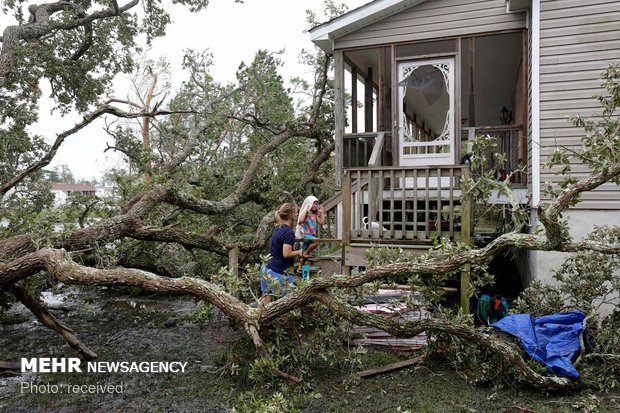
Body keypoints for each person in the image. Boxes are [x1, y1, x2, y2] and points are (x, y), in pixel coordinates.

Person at [260, 202, 304, 304]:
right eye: (296, 213)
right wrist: (300, 252)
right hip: (278, 273)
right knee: (289, 304)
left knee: (266, 301)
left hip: (266, 269)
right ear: (290, 215)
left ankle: (257, 318)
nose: (297, 215)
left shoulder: (278, 227)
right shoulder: (289, 233)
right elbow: (286, 253)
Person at [296, 195, 325, 274]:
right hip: (305, 235)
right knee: (316, 241)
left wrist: (321, 213)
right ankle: (304, 254)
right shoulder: (306, 214)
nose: (315, 205)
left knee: (305, 252)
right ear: (309, 203)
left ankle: (299, 267)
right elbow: (301, 220)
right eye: (314, 203)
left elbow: (321, 222)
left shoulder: (314, 215)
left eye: (316, 204)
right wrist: (306, 209)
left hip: (311, 236)